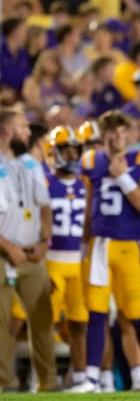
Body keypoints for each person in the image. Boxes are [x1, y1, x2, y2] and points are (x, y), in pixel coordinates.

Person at [72, 110, 140, 392]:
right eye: (112, 131)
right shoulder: (90, 160)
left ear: (131, 133)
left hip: (129, 247)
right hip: (99, 246)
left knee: (136, 314)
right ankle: (90, 378)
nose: (118, 137)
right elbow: (89, 209)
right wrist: (83, 247)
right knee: (96, 312)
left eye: (123, 131)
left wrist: (122, 177)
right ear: (103, 135)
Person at [0, 110, 56, 391]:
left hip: (33, 254)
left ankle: (48, 384)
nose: (28, 133)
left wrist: (45, 242)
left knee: (43, 319)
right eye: (23, 127)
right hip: (2, 255)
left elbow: (45, 206)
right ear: (7, 132)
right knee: (1, 322)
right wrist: (9, 248)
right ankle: (5, 384)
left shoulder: (31, 165)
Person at [45, 125, 90, 388]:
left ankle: (81, 377)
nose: (72, 157)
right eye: (67, 151)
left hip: (76, 260)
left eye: (75, 151)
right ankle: (44, 377)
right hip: (51, 259)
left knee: (79, 322)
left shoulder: (84, 183)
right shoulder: (45, 181)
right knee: (43, 324)